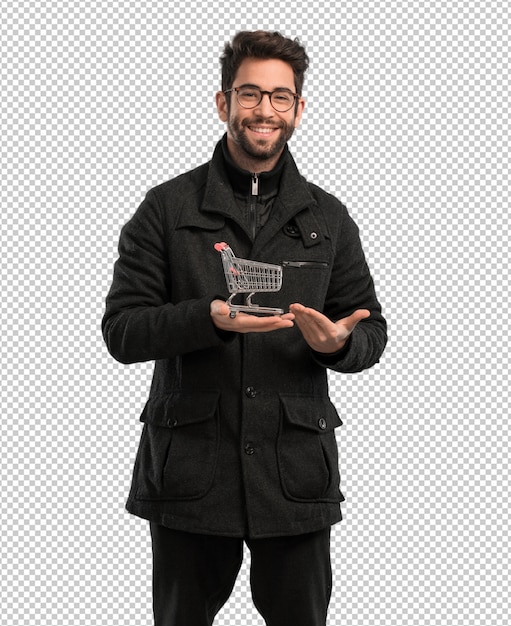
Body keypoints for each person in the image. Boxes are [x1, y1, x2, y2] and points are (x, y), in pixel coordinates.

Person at [102, 30, 387, 626]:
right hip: (189, 478)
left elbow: (371, 330)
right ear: (223, 102)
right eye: (250, 93)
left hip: (295, 477)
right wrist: (206, 317)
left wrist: (341, 345)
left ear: (299, 109)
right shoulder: (165, 209)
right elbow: (122, 331)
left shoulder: (330, 219)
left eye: (281, 97)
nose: (265, 110)